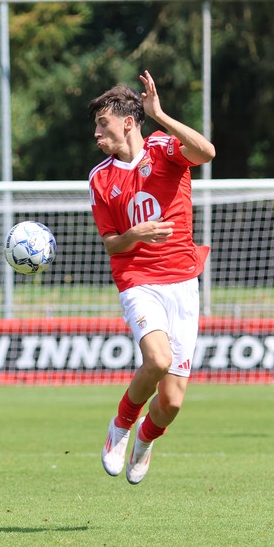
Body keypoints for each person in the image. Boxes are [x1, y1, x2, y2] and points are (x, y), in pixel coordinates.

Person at [89, 71, 216, 484]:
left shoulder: (164, 149)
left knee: (173, 403)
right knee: (157, 360)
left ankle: (145, 440)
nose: (96, 133)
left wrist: (159, 114)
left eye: (102, 124)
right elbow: (112, 244)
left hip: (183, 282)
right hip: (138, 280)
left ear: (128, 122)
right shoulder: (100, 179)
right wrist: (134, 235)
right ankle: (121, 426)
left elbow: (206, 152)